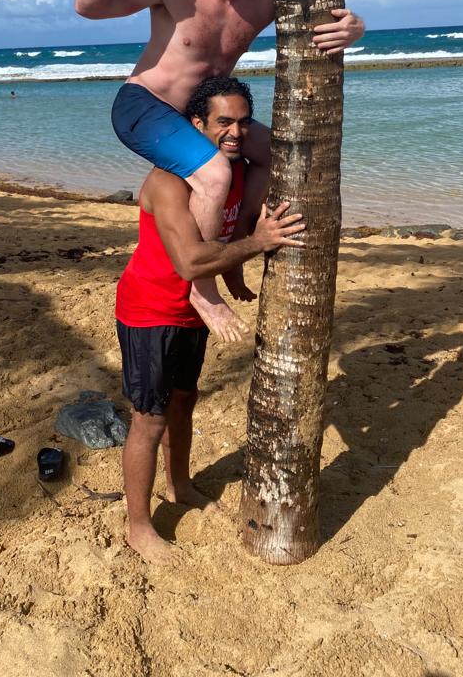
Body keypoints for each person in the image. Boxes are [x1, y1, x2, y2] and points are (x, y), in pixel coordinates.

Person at [76, 0, 364, 342]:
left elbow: (326, 18)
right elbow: (88, 6)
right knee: (215, 175)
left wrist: (354, 28)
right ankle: (202, 290)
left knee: (278, 154)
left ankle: (230, 251)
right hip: (143, 107)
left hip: (199, 118)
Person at [116, 76, 305, 563]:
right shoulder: (167, 181)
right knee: (149, 418)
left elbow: (230, 231)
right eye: (224, 122)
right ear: (195, 124)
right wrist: (258, 243)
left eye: (244, 123)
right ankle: (139, 526)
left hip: (192, 312)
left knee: (184, 401)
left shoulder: (239, 171)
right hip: (151, 309)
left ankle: (180, 484)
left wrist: (239, 259)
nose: (236, 133)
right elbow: (190, 263)